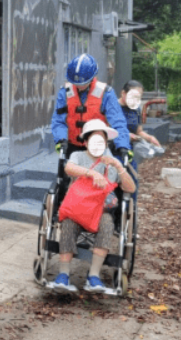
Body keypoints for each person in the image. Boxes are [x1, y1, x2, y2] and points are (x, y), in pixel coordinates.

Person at [49, 119, 136, 293]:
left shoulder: (112, 163)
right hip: (78, 208)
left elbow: (130, 188)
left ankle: (94, 276)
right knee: (67, 224)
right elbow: (68, 168)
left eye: (102, 140)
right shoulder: (78, 156)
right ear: (86, 141)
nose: (98, 144)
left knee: (107, 225)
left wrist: (119, 166)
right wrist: (91, 173)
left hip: (102, 210)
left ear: (106, 143)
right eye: (94, 139)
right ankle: (63, 275)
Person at [51, 54, 131, 161]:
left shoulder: (106, 93)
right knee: (66, 174)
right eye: (75, 83)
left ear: (92, 77)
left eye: (83, 83)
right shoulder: (65, 92)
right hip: (72, 147)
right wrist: (61, 140)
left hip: (97, 147)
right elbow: (59, 120)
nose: (79, 86)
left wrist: (123, 146)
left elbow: (118, 122)